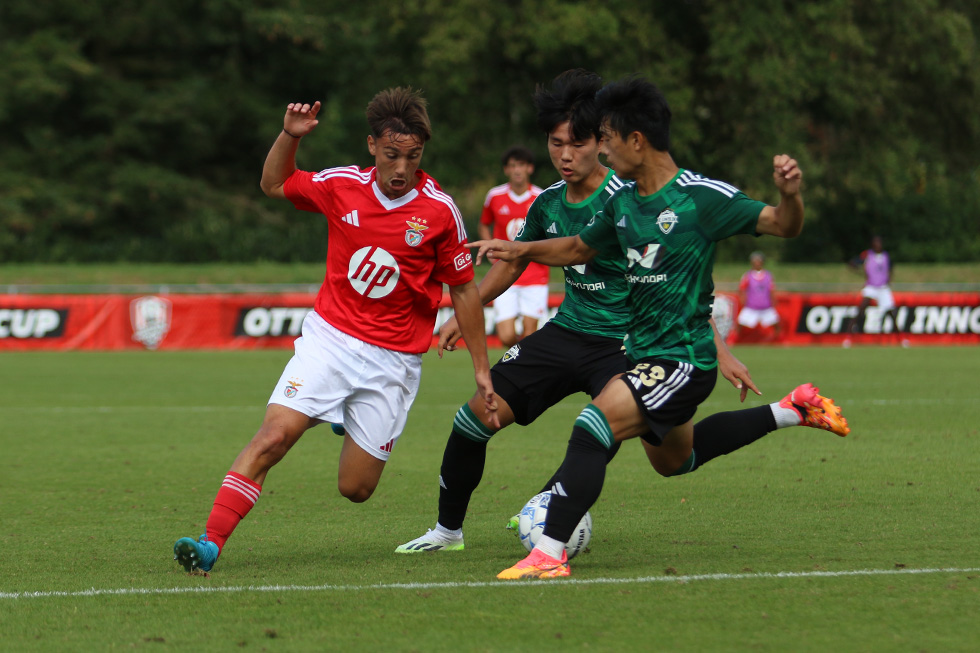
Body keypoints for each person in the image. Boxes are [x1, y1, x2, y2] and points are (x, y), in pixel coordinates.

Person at [395, 70, 846, 556]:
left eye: (582, 142)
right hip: (567, 331)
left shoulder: (637, 194)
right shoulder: (557, 202)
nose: (565, 155)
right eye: (554, 143)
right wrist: (472, 305)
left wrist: (721, 349)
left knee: (657, 452)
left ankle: (551, 530)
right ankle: (448, 532)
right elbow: (540, 255)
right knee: (474, 420)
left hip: (627, 345)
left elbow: (676, 283)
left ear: (605, 140)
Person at [172, 88, 497, 574]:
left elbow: (465, 291)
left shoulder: (438, 212)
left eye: (413, 157)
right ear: (372, 147)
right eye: (392, 155)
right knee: (273, 437)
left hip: (394, 360)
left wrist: (481, 371)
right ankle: (211, 542)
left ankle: (345, 414)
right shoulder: (341, 185)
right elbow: (273, 185)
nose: (401, 168)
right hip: (331, 340)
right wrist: (289, 136)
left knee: (356, 489)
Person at [479, 146, 547, 347]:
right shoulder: (494, 196)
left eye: (521, 165)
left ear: (530, 168)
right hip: (503, 270)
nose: (517, 170)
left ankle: (522, 372)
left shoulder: (541, 197)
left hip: (534, 272)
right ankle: (520, 362)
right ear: (506, 170)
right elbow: (484, 223)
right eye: (512, 166)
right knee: (506, 336)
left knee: (529, 334)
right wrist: (489, 247)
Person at [846, 235, 897, 335]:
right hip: (871, 286)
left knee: (890, 312)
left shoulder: (886, 256)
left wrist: (889, 279)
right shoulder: (867, 255)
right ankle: (848, 333)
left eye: (879, 242)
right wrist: (860, 272)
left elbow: (891, 268)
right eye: (876, 242)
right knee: (861, 309)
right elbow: (853, 262)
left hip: (883, 287)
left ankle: (900, 337)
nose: (878, 245)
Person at [736, 251, 781, 341]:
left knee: (776, 324)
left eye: (758, 261)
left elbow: (771, 289)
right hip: (751, 306)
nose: (757, 263)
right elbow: (742, 289)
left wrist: (774, 300)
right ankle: (735, 340)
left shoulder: (768, 275)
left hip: (766, 306)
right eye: (755, 261)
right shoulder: (747, 275)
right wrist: (743, 300)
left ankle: (776, 340)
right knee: (740, 323)